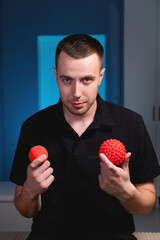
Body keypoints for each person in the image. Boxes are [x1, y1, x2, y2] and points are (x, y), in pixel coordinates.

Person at [10, 34, 160, 240]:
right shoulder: (33, 127)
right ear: (55, 76)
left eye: (86, 79)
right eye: (67, 80)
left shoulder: (131, 124)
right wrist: (30, 190)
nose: (76, 93)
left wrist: (127, 192)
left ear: (101, 76)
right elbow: (26, 210)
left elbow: (147, 203)